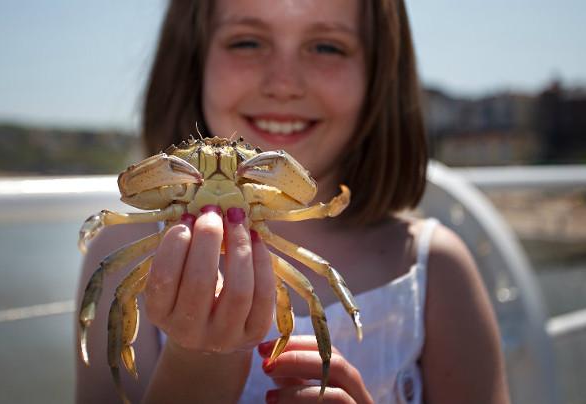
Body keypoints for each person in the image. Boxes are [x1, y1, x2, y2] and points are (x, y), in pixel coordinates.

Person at [75, 0, 510, 403]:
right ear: (193, 62)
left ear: (379, 74)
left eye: (326, 46)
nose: (283, 84)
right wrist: (196, 363)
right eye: (247, 41)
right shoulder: (119, 256)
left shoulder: (437, 270)